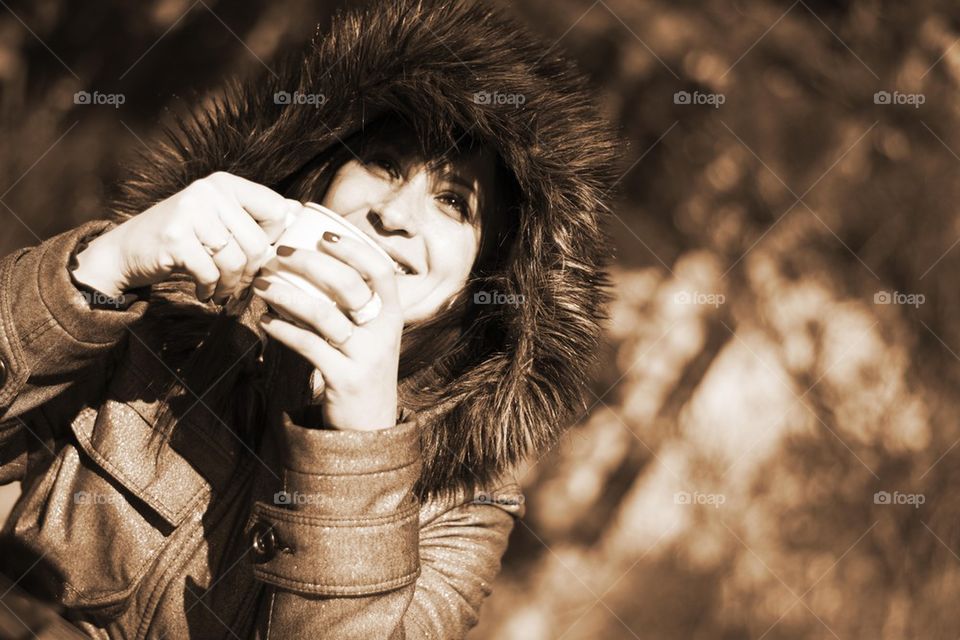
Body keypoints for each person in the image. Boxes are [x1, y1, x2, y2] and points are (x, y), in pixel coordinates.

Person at [0, 0, 618, 637]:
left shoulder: (463, 506)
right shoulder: (162, 311)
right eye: (384, 163)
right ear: (321, 180)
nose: (394, 213)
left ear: (483, 281)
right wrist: (102, 267)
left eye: (453, 202)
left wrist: (360, 445)